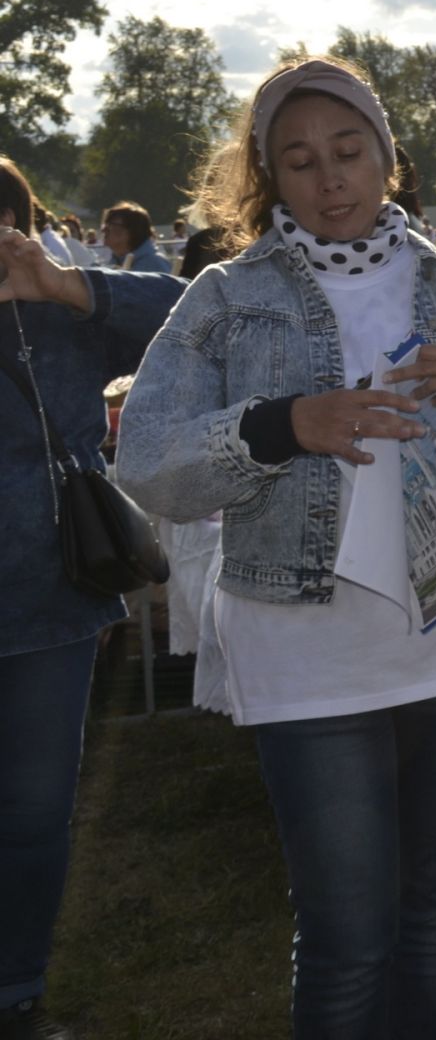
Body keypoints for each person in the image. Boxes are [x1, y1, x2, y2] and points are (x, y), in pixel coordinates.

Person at [115, 56, 436, 1038]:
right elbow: (151, 462)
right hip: (309, 653)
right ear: (269, 177)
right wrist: (284, 422)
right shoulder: (224, 298)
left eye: (348, 151)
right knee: (347, 935)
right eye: (300, 161)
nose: (330, 178)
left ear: (387, 154)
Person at [0, 159, 184, 1040]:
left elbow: (191, 318)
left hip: (52, 591)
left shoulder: (56, 304)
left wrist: (67, 284)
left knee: (35, 809)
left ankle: (17, 988)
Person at [101, 201, 171, 273]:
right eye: (104, 225)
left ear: (132, 231)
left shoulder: (154, 265)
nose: (103, 230)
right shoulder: (114, 263)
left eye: (110, 225)